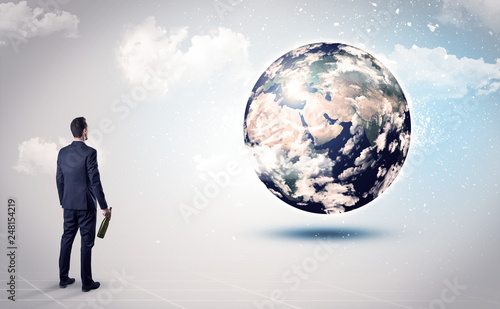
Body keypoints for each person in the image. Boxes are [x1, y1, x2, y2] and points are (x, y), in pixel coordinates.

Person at [56, 117, 111, 292]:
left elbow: (59, 179)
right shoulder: (90, 152)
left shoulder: (62, 153)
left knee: (66, 239)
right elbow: (95, 181)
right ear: (84, 131)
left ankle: (63, 279)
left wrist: (62, 202)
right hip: (86, 206)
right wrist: (104, 207)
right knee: (86, 244)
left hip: (69, 204)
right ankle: (86, 283)